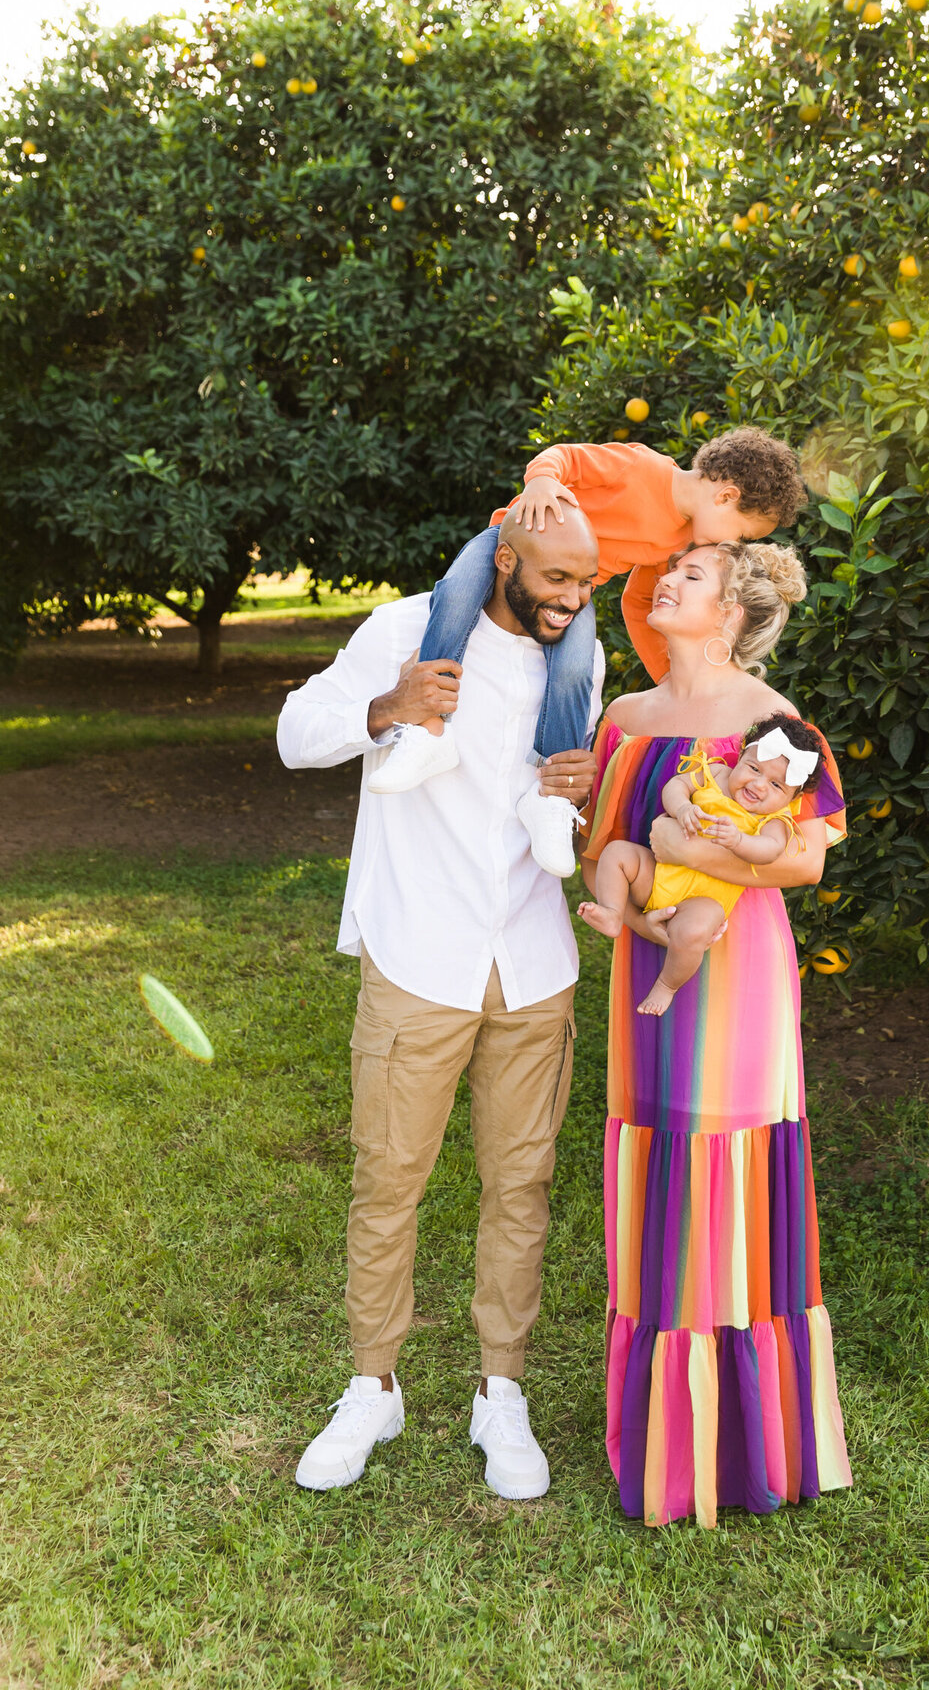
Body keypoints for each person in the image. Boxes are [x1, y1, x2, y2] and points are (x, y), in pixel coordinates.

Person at [276, 505, 604, 1500]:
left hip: (533, 963)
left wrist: (578, 793)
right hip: (419, 955)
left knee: (521, 1190)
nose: (572, 600)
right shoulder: (406, 629)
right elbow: (296, 734)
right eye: (555, 578)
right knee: (389, 1180)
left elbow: (565, 819)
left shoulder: (580, 666)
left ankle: (498, 1393)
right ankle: (372, 1383)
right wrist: (386, 708)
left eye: (587, 584)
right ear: (505, 561)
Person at [579, 538, 853, 1528]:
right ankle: (663, 1432)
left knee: (727, 1164)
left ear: (733, 611)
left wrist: (700, 855)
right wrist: (638, 892)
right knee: (657, 1168)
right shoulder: (625, 720)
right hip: (646, 958)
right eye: (668, 573)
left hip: (740, 972)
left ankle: (744, 1440)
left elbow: (808, 865)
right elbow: (599, 848)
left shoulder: (774, 724)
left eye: (690, 576)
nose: (665, 583)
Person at [368, 429, 807, 880]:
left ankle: (550, 800)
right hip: (511, 540)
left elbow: (639, 604)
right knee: (456, 597)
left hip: (574, 591)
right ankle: (428, 732)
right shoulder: (643, 468)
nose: (732, 544)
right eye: (741, 531)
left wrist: (669, 682)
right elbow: (565, 458)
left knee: (575, 669)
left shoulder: (673, 543)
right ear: (726, 496)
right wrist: (540, 482)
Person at [578, 715, 826, 1016]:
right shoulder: (717, 774)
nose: (759, 785)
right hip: (658, 874)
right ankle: (612, 912)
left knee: (695, 931)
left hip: (703, 899)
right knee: (616, 853)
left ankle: (667, 985)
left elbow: (770, 851)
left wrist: (738, 842)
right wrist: (682, 807)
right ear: (743, 754)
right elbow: (676, 785)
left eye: (776, 785)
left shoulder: (774, 820)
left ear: (792, 797)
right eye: (753, 768)